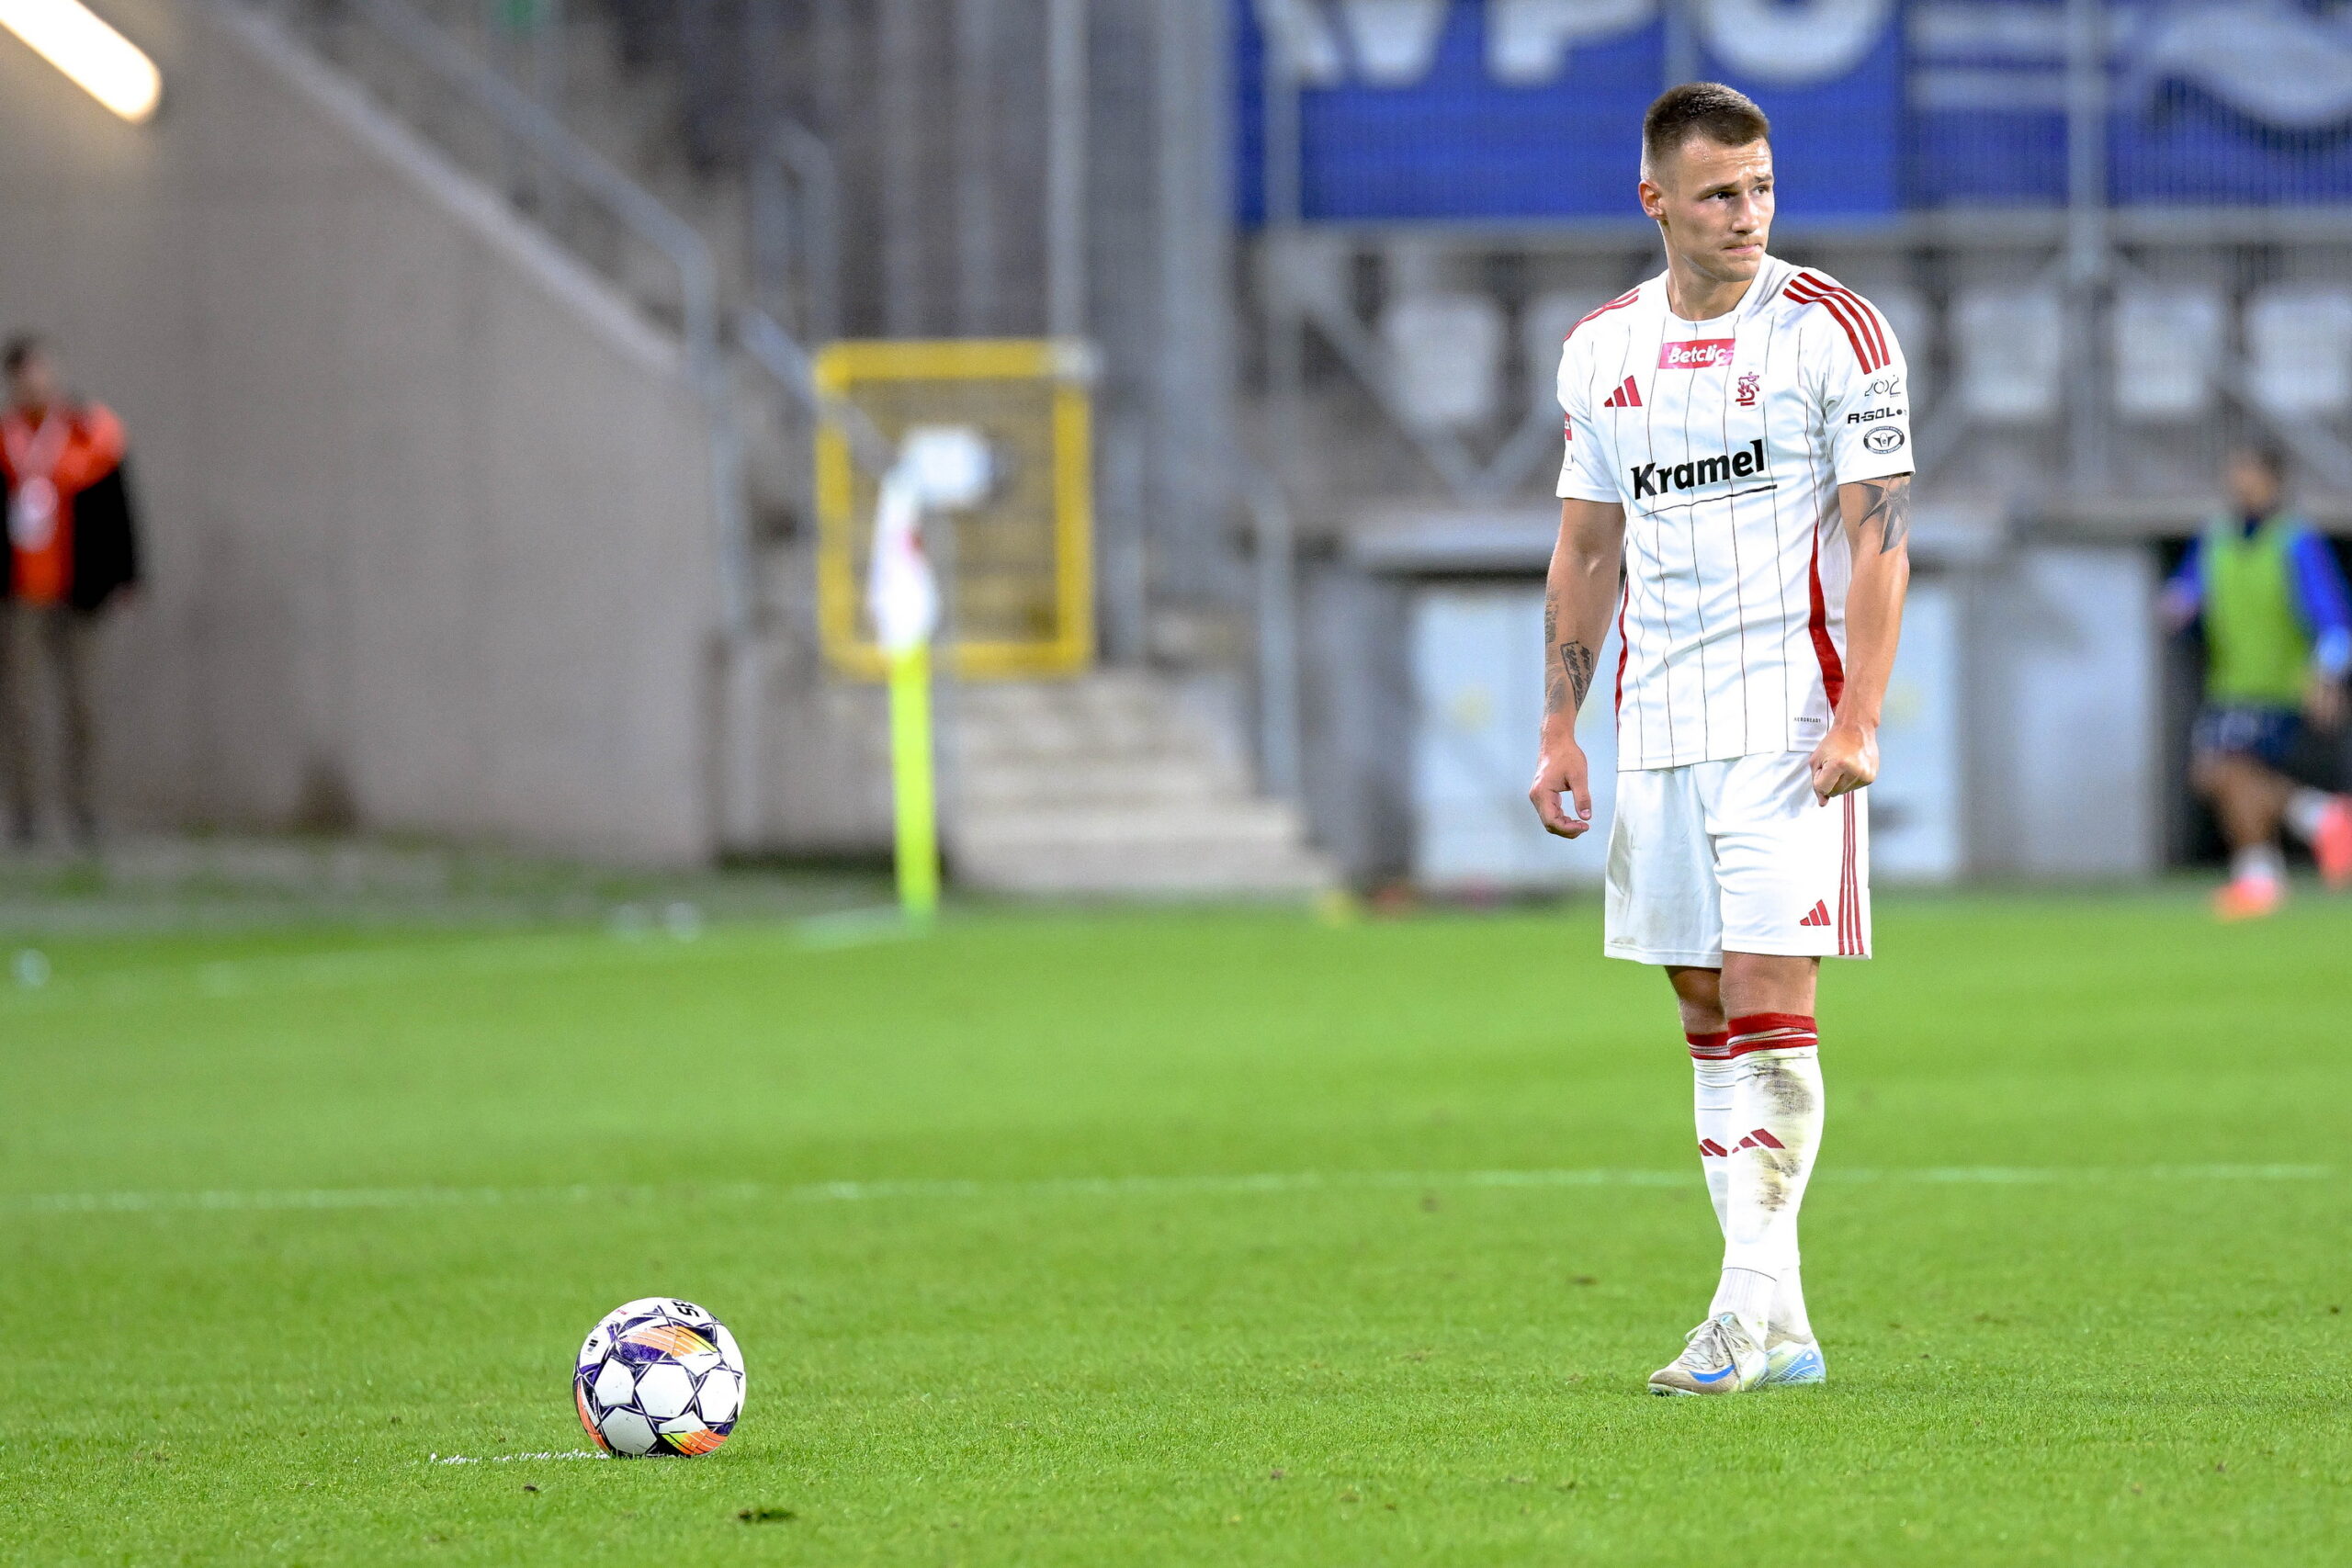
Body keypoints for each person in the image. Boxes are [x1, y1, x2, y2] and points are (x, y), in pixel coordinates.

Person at [1527, 84, 1914, 1396]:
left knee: (1770, 1001)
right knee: (1702, 1006)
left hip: (1790, 724)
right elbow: (1587, 544)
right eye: (1716, 194)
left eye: (1760, 188)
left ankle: (1739, 1313)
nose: (1747, 215)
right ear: (1656, 201)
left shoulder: (1835, 331)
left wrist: (1862, 711)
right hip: (1660, 725)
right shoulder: (1599, 351)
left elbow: (1880, 536)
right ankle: (1786, 1323)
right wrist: (1558, 725)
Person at [2160, 444, 2352, 919]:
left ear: (2272, 481)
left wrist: (2326, 675)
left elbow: (2333, 617)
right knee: (2225, 779)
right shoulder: (2217, 537)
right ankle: (2312, 826)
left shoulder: (2295, 541)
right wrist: (2178, 604)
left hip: (2278, 684)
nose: (2238, 481)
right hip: (2230, 683)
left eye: (2247, 472)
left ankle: (2266, 868)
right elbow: (2189, 589)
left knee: (2222, 772)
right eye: (2234, 471)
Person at [0, 334, 141, 847]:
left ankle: (85, 811)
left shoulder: (89, 434)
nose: (35, 382)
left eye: (41, 371)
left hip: (79, 592)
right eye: (24, 375)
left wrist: (127, 574)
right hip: (21, 596)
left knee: (84, 707)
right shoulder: (6, 440)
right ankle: (24, 814)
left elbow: (119, 508)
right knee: (20, 707)